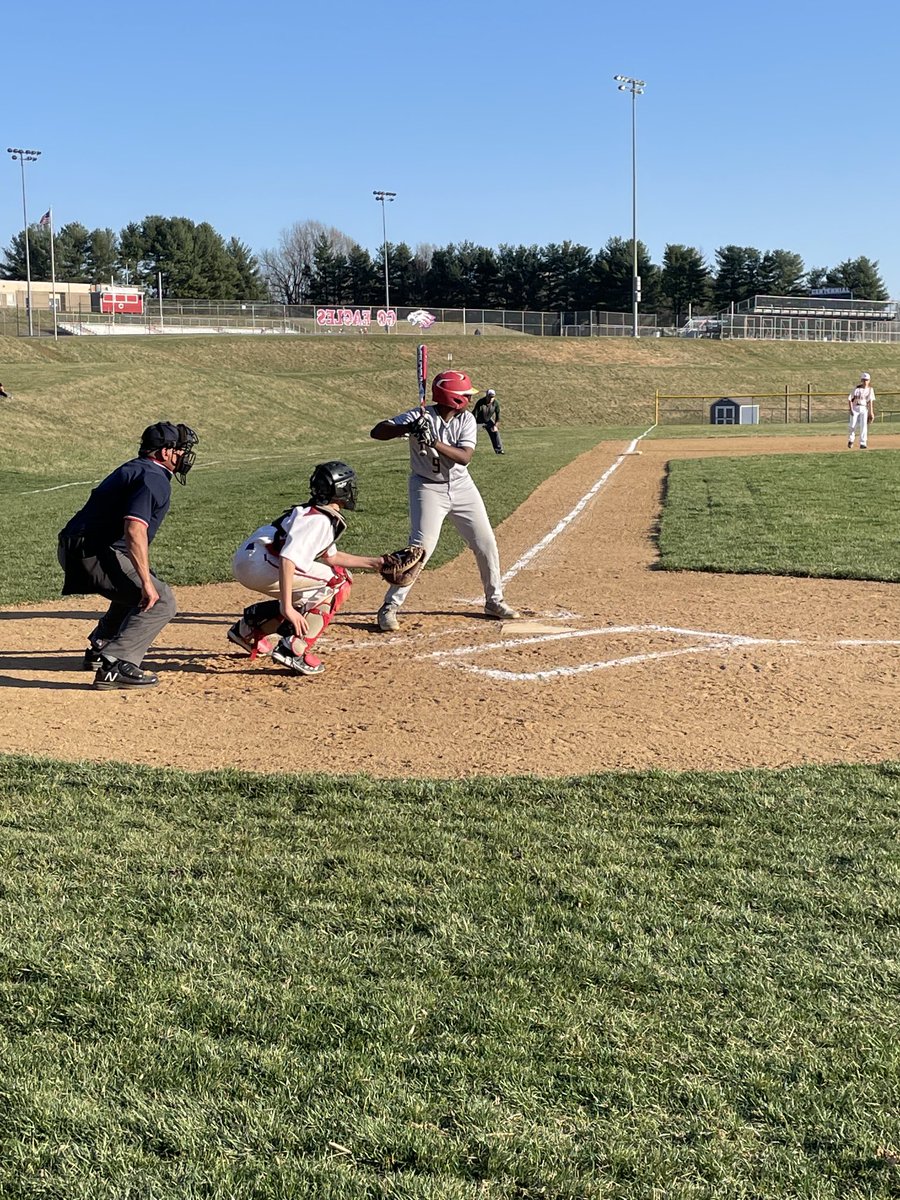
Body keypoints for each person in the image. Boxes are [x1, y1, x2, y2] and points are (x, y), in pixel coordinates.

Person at [369, 370, 520, 632]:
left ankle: (494, 601)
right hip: (427, 487)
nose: (469, 399)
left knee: (485, 543)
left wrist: (434, 441)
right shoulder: (420, 415)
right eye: (464, 395)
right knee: (420, 549)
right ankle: (389, 607)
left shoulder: (467, 420)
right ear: (452, 397)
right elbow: (377, 432)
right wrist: (408, 428)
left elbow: (464, 457)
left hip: (462, 487)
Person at [57, 421, 199, 690]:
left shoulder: (137, 468)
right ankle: (116, 663)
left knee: (135, 586)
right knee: (160, 600)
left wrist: (145, 578)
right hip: (92, 553)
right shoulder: (153, 478)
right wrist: (146, 582)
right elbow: (134, 529)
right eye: (180, 449)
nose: (183, 456)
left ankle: (102, 645)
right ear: (164, 452)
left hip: (77, 548)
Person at [228, 461, 384, 676]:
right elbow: (288, 559)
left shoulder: (312, 512)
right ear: (339, 489)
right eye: (348, 485)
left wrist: (378, 563)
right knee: (338, 582)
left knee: (319, 587)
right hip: (263, 564)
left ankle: (249, 629)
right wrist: (288, 607)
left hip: (251, 559)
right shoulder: (319, 520)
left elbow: (332, 557)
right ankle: (294, 649)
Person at [848, 372, 875, 450]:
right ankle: (851, 439)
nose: (865, 382)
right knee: (852, 425)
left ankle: (863, 443)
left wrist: (871, 412)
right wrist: (851, 409)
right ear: (861, 380)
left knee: (864, 426)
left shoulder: (870, 389)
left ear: (869, 380)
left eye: (867, 380)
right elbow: (849, 399)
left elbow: (870, 401)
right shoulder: (856, 389)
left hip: (864, 408)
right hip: (855, 408)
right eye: (864, 380)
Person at [472, 387, 504, 454]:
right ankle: (469, 449)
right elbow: (475, 415)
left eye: (492, 397)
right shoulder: (480, 402)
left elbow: (498, 417)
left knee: (495, 433)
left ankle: (499, 450)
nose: (491, 399)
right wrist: (472, 425)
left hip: (488, 420)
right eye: (489, 397)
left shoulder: (495, 404)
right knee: (471, 433)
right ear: (486, 396)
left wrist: (495, 426)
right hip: (478, 421)